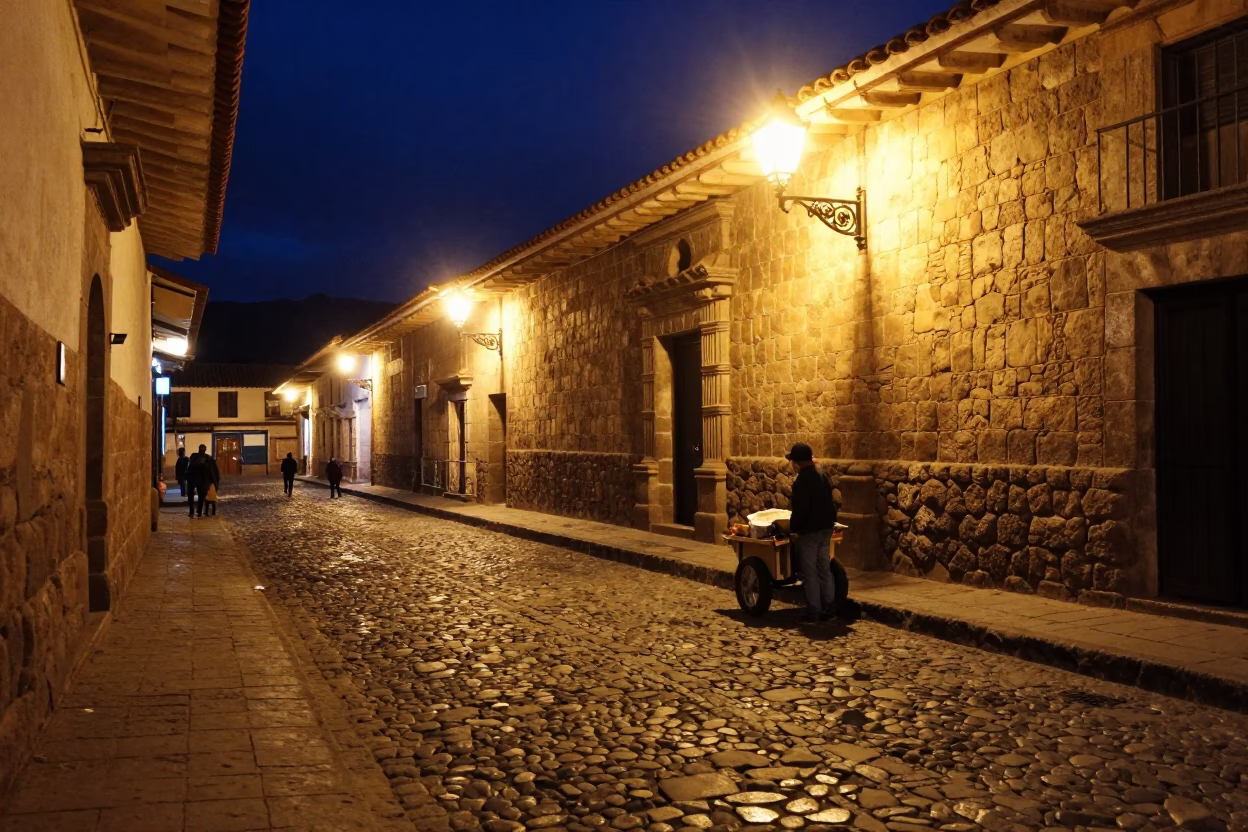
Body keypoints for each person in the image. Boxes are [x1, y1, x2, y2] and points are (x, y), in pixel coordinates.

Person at [786, 442, 839, 624]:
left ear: (797, 461)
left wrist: (793, 529)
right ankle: (829, 609)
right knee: (824, 568)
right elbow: (831, 502)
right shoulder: (822, 475)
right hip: (826, 528)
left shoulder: (802, 481)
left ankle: (814, 612)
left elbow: (801, 508)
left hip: (810, 531)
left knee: (809, 572)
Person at [184, 444, 208, 517]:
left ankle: (192, 512)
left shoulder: (193, 456)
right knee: (201, 496)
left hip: (192, 478)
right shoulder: (206, 458)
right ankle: (198, 511)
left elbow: (189, 466)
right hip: (200, 479)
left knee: (192, 496)